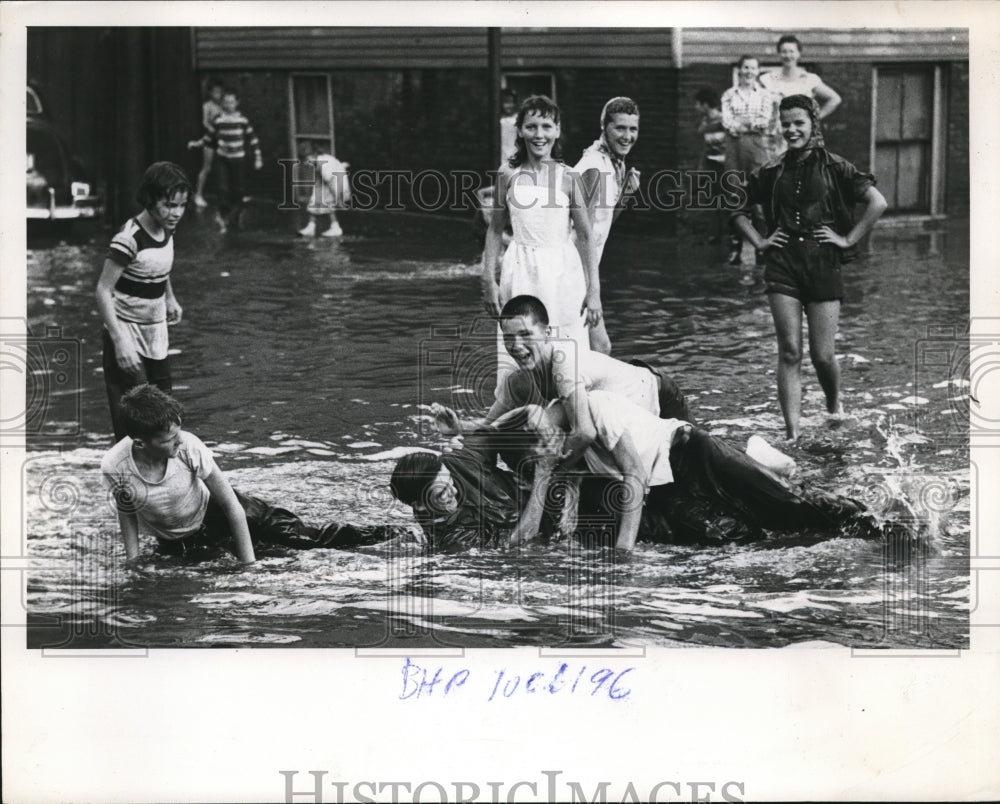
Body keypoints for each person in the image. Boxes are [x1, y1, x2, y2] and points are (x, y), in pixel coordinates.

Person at [732, 95, 888, 442]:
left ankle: (834, 406)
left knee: (822, 355)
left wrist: (848, 239)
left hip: (823, 264)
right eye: (786, 123)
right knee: (789, 351)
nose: (791, 130)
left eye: (798, 122)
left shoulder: (837, 167)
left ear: (813, 123)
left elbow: (878, 202)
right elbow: (737, 209)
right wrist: (759, 242)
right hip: (782, 263)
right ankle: (792, 434)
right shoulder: (771, 171)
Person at [101, 385, 388, 566]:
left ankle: (388, 534)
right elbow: (127, 511)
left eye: (179, 432)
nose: (179, 441)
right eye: (169, 439)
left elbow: (231, 506)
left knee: (304, 540)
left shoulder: (189, 446)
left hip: (222, 512)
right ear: (141, 442)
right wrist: (133, 561)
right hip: (179, 541)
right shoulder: (115, 465)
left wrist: (248, 567)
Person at [433, 295, 692, 473]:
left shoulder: (564, 363)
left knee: (685, 471)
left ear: (546, 333)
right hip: (619, 419)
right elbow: (492, 426)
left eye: (525, 335)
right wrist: (458, 427)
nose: (516, 347)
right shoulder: (518, 381)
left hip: (657, 396)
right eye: (508, 338)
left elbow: (585, 433)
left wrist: (550, 474)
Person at [482, 95, 600, 391]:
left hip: (563, 272)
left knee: (565, 349)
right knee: (522, 344)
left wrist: (594, 290)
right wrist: (488, 281)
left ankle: (570, 412)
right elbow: (495, 230)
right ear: (520, 130)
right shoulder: (507, 174)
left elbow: (585, 236)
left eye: (547, 126)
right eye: (531, 126)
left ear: (557, 131)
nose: (539, 135)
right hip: (521, 269)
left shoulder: (569, 177)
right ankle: (519, 413)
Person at [96, 162, 190, 441]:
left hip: (155, 336)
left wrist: (170, 297)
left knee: (166, 415)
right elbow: (102, 290)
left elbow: (158, 267)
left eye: (182, 206)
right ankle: (127, 481)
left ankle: (168, 479)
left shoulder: (167, 228)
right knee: (136, 424)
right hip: (127, 337)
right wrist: (120, 341)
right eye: (170, 205)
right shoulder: (129, 239)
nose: (177, 213)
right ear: (150, 200)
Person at [572, 96, 642, 354]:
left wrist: (625, 195)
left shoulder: (611, 164)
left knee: (593, 348)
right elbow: (584, 234)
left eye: (632, 129)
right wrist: (593, 290)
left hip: (583, 268)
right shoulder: (594, 167)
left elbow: (603, 225)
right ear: (605, 128)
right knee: (599, 347)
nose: (627, 136)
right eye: (620, 128)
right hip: (571, 269)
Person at [721, 55, 780, 267]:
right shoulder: (729, 95)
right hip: (734, 148)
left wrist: (743, 124)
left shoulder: (765, 95)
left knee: (760, 195)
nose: (748, 72)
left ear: (757, 71)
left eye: (752, 68)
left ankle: (762, 247)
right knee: (735, 194)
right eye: (745, 67)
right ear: (739, 70)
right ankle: (735, 248)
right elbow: (727, 123)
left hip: (756, 147)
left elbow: (764, 122)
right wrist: (747, 124)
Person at [188, 88, 263, 232]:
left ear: (237, 103)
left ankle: (236, 216)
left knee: (239, 190)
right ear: (222, 104)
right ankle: (223, 218)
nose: (229, 105)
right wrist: (196, 143)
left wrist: (258, 157)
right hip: (223, 158)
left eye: (231, 102)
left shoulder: (242, 120)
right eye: (226, 102)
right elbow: (209, 138)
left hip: (238, 159)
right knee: (222, 189)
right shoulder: (219, 120)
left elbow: (253, 139)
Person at [759, 34, 842, 157]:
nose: (788, 56)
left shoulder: (808, 79)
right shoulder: (769, 79)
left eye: (791, 51)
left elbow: (834, 99)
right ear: (779, 54)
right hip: (776, 137)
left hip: (801, 135)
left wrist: (815, 118)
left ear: (798, 54)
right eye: (784, 52)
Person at [297, 139, 351, 238]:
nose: (306, 163)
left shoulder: (324, 164)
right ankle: (311, 226)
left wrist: (338, 198)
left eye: (306, 159)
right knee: (316, 198)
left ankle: (335, 227)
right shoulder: (319, 161)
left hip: (337, 183)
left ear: (312, 155)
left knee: (327, 200)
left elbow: (331, 182)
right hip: (331, 181)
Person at [694, 88, 727, 243]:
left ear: (706, 104)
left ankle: (727, 234)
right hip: (710, 164)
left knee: (725, 199)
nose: (696, 108)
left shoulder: (723, 120)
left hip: (723, 165)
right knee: (712, 199)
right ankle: (715, 234)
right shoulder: (706, 121)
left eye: (698, 104)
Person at [192, 79, 224, 209]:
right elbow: (204, 122)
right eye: (216, 92)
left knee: (223, 167)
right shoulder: (207, 106)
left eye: (220, 92)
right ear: (210, 92)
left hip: (223, 138)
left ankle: (225, 195)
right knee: (207, 167)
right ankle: (198, 194)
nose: (218, 94)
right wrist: (212, 129)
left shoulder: (223, 105)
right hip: (211, 139)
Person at [498, 91, 518, 165]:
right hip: (502, 155)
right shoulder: (499, 120)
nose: (510, 105)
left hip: (514, 153)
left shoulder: (518, 119)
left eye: (512, 102)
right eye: (506, 102)